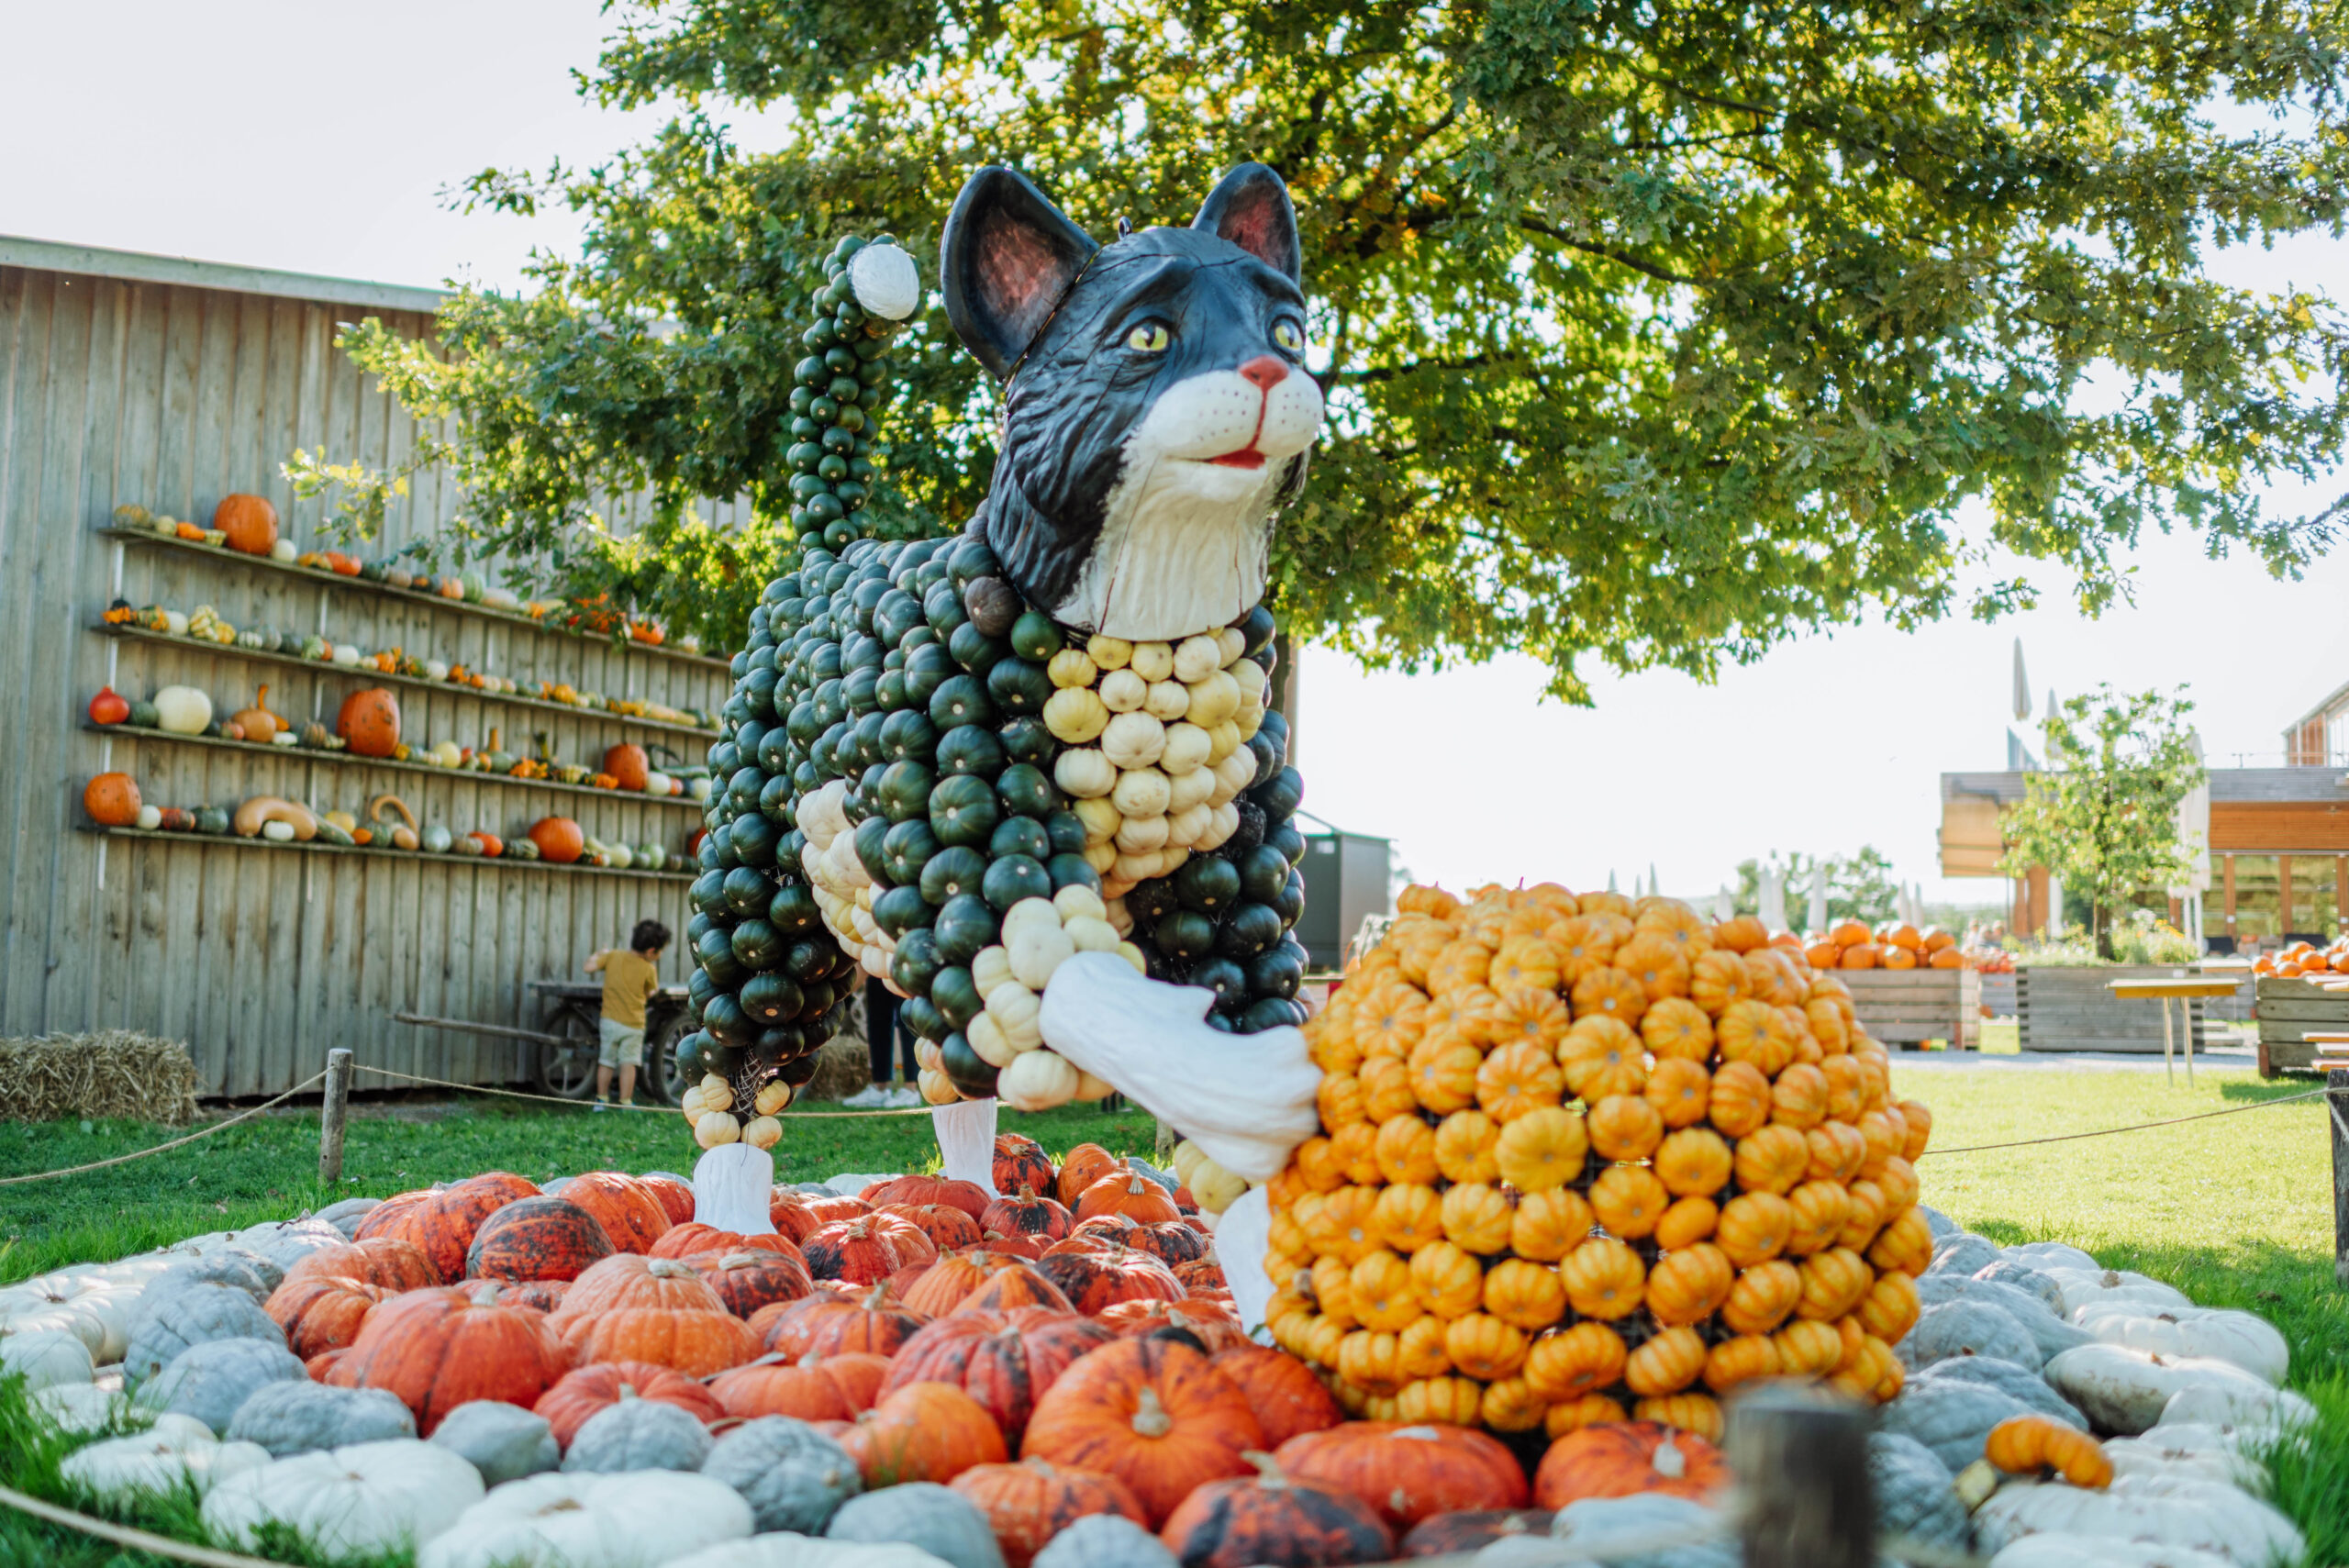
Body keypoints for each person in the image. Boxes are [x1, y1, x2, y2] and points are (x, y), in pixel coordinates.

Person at [584, 918, 669, 1110]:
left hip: (609, 1021)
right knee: (628, 1064)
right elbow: (652, 993)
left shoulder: (613, 956)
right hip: (633, 1024)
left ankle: (601, 1100)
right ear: (651, 951)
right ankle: (625, 1102)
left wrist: (600, 954)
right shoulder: (649, 969)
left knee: (605, 1061)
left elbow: (588, 967)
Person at [843, 974, 921, 1107]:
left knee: (907, 1014)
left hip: (901, 959)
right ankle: (880, 1088)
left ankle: (911, 1090)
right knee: (877, 1015)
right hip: (878, 958)